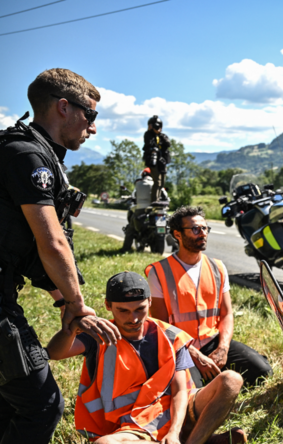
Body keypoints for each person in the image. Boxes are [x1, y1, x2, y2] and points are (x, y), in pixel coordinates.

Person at [0, 68, 121, 444]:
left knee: (9, 404)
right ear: (64, 107)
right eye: (91, 115)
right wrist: (77, 304)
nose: (94, 127)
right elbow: (51, 243)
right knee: (42, 405)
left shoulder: (32, 152)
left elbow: (30, 252)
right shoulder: (26, 155)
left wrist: (64, 304)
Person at [45, 271, 247, 444]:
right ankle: (202, 439)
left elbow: (179, 391)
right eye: (123, 311)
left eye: (140, 309)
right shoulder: (98, 336)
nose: (133, 319)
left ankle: (190, 440)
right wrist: (72, 327)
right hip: (135, 426)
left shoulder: (170, 335)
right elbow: (55, 353)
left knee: (231, 379)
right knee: (104, 443)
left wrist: (174, 432)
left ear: (150, 302)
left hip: (180, 413)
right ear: (108, 305)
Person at [146, 206, 273, 387]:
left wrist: (223, 348)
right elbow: (161, 325)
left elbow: (227, 314)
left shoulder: (218, 267)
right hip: (181, 348)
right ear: (177, 234)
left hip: (212, 342)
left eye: (205, 228)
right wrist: (195, 356)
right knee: (190, 390)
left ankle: (218, 380)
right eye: (195, 229)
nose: (203, 233)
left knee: (262, 371)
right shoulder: (159, 272)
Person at [121, 168, 154, 252]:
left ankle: (126, 248)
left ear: (143, 175)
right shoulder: (157, 184)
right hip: (155, 209)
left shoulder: (139, 184)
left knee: (130, 228)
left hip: (141, 209)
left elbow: (134, 195)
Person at [143, 115, 171, 203]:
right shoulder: (148, 135)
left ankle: (158, 199)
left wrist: (159, 133)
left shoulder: (163, 136)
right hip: (153, 162)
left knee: (162, 183)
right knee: (157, 182)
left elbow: (168, 144)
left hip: (162, 162)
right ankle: (154, 200)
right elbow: (149, 144)